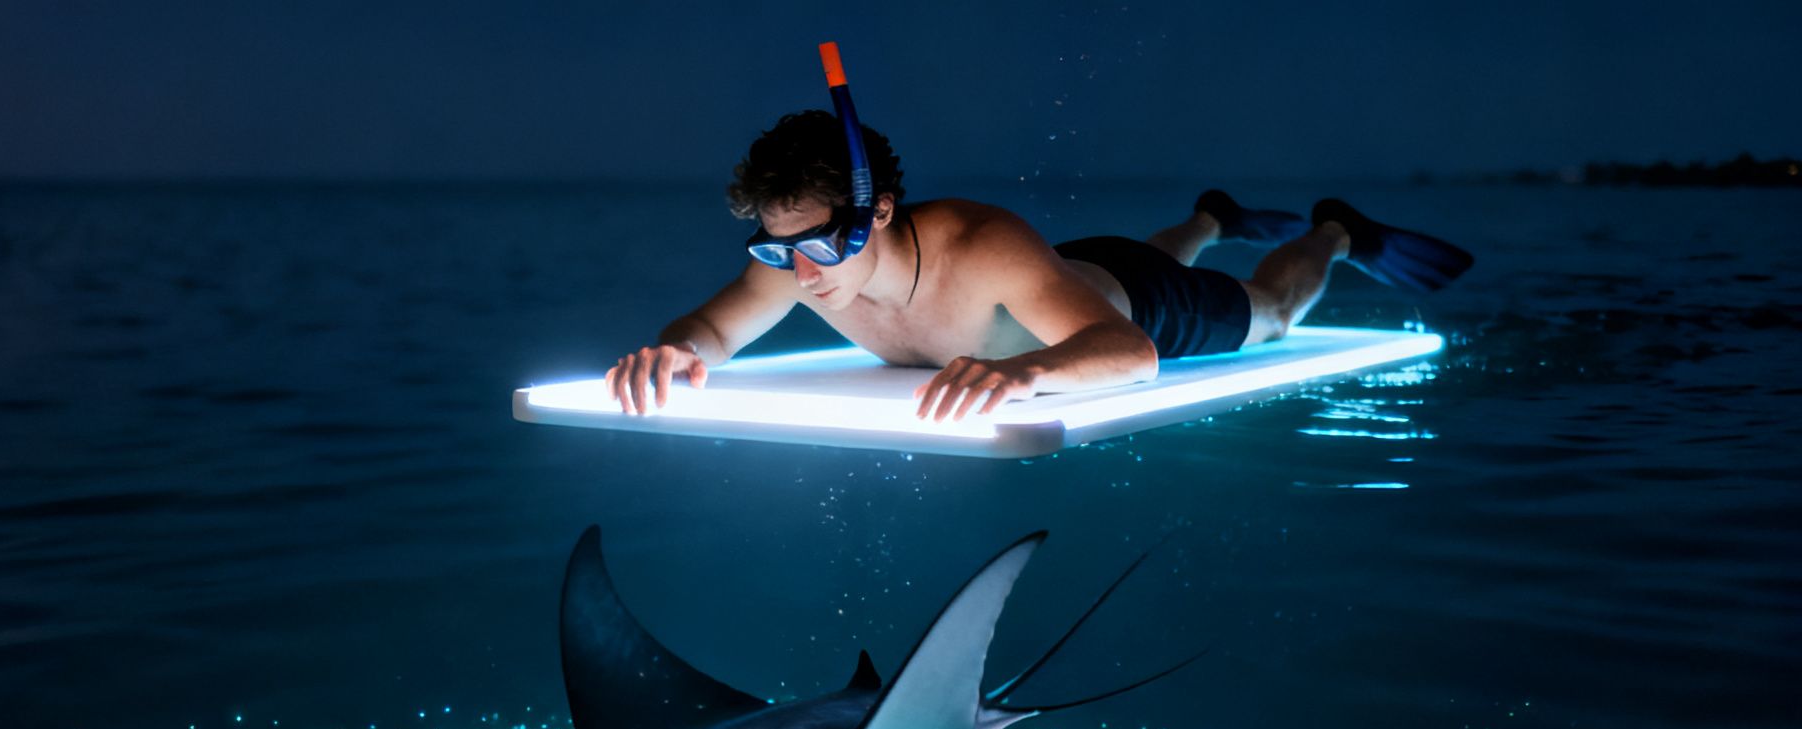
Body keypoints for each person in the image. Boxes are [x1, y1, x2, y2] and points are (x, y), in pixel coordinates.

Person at [605, 111, 1471, 422]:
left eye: (822, 245)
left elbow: (1131, 352)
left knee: (1273, 311)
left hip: (1138, 304)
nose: (801, 275)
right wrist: (679, 350)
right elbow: (712, 327)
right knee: (1124, 259)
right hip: (1067, 276)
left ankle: (1335, 232)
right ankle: (1213, 217)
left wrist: (1026, 374)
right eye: (777, 248)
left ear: (878, 211)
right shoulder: (800, 260)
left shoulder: (982, 245)